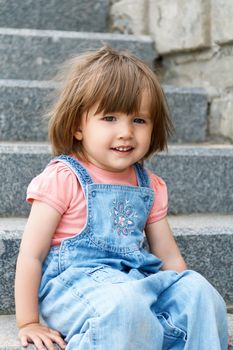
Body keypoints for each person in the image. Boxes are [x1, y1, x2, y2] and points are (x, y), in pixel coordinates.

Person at [15, 46, 229, 350]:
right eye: (110, 118)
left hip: (132, 283)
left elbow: (170, 258)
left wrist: (202, 320)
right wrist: (28, 321)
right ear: (78, 126)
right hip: (74, 287)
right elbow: (30, 255)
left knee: (199, 291)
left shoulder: (149, 185)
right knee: (126, 304)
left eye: (139, 120)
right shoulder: (64, 178)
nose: (126, 132)